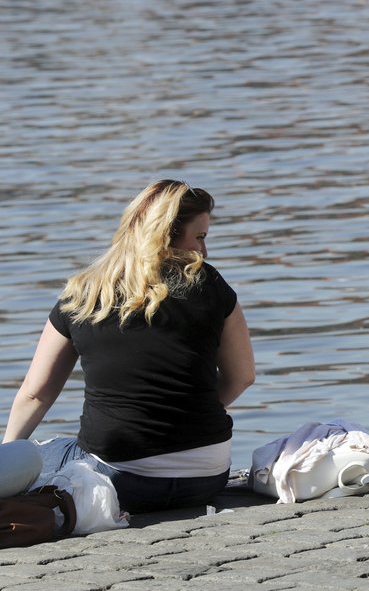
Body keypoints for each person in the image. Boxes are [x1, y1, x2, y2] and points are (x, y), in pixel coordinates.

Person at [1, 180, 255, 513]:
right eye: (200, 238)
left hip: (119, 482)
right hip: (206, 477)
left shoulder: (83, 295)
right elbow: (243, 377)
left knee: (40, 452)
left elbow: (36, 394)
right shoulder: (210, 284)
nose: (204, 253)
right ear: (164, 235)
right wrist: (182, 416)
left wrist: (8, 456)